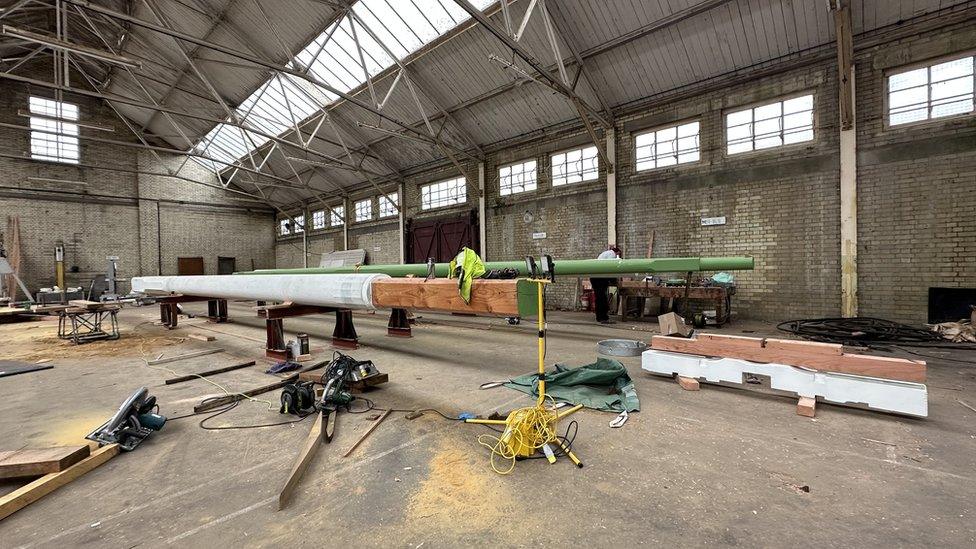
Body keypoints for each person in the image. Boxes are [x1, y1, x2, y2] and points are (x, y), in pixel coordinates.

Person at [590, 245, 621, 324]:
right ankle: (603, 317)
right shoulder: (612, 254)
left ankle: (600, 317)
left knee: (599, 297)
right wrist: (613, 280)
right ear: (617, 252)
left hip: (595, 276)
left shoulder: (605, 253)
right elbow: (609, 266)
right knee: (601, 298)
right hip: (599, 277)